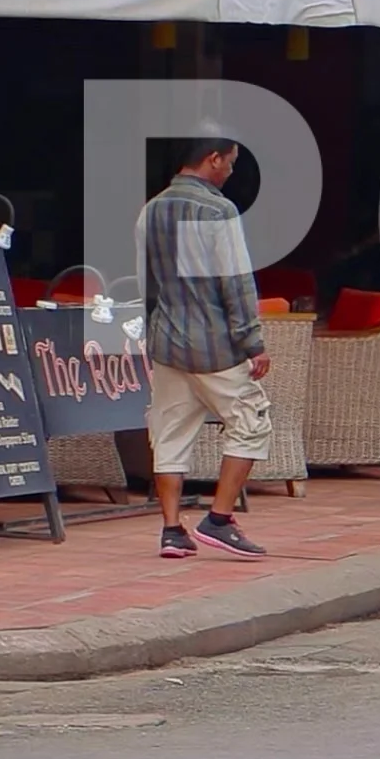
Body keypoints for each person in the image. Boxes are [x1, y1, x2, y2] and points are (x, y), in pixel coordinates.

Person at [137, 138, 273, 561]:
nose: (231, 172)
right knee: (251, 423)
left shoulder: (151, 210)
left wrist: (151, 333)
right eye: (230, 163)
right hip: (215, 344)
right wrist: (253, 342)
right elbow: (235, 283)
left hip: (167, 340)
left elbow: (147, 284)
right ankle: (219, 518)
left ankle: (172, 530)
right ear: (213, 159)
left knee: (170, 433)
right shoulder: (219, 211)